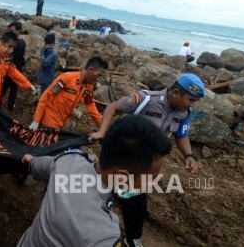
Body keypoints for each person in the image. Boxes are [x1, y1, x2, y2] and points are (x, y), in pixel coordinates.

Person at [17, 114, 172, 247]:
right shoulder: (103, 236)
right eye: (150, 178)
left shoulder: (68, 160)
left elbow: (36, 164)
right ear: (121, 176)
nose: (151, 185)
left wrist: (28, 159)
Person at [88, 73, 205, 247]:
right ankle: (90, 228)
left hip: (144, 167)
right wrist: (101, 132)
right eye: (190, 100)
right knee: (101, 191)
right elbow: (112, 107)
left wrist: (189, 155)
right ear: (175, 93)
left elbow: (182, 135)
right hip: (122, 158)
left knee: (136, 204)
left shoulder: (184, 113)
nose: (191, 105)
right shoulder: (145, 99)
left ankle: (132, 238)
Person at [30, 56, 108, 131]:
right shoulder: (67, 78)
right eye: (98, 75)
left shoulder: (89, 87)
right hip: (48, 122)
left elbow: (90, 104)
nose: (97, 79)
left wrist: (102, 125)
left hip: (61, 124)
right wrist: (36, 121)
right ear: (90, 69)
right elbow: (46, 96)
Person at [0, 31, 36, 107]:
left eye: (13, 48)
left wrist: (27, 84)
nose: (11, 50)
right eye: (9, 46)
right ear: (2, 42)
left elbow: (12, 71)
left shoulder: (6, 56)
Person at [1, 21, 27, 111]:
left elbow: (9, 57)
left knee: (4, 87)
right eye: (9, 30)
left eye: (13, 30)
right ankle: (11, 106)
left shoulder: (14, 44)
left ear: (19, 31)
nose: (11, 32)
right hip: (18, 68)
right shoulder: (23, 42)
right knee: (13, 89)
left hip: (11, 69)